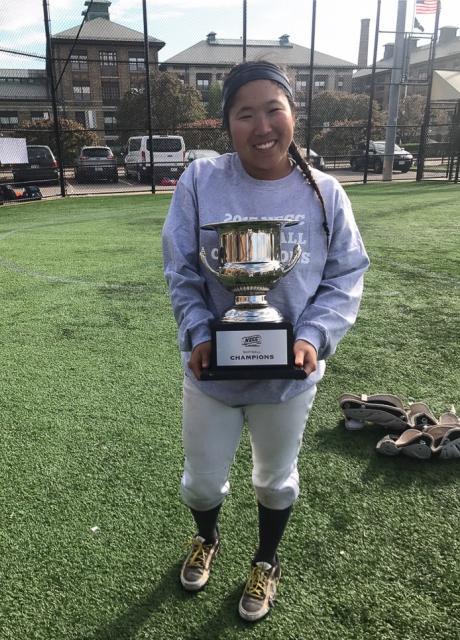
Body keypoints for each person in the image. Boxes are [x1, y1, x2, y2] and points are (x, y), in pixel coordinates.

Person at [162, 61, 369, 622]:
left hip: (290, 373)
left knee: (275, 479)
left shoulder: (325, 193)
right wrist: (200, 332)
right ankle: (207, 536)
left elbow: (346, 274)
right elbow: (181, 268)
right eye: (244, 113)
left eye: (273, 110)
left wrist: (312, 337)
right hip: (212, 369)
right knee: (201, 483)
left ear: (293, 115)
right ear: (227, 123)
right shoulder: (201, 181)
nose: (262, 126)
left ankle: (267, 561)